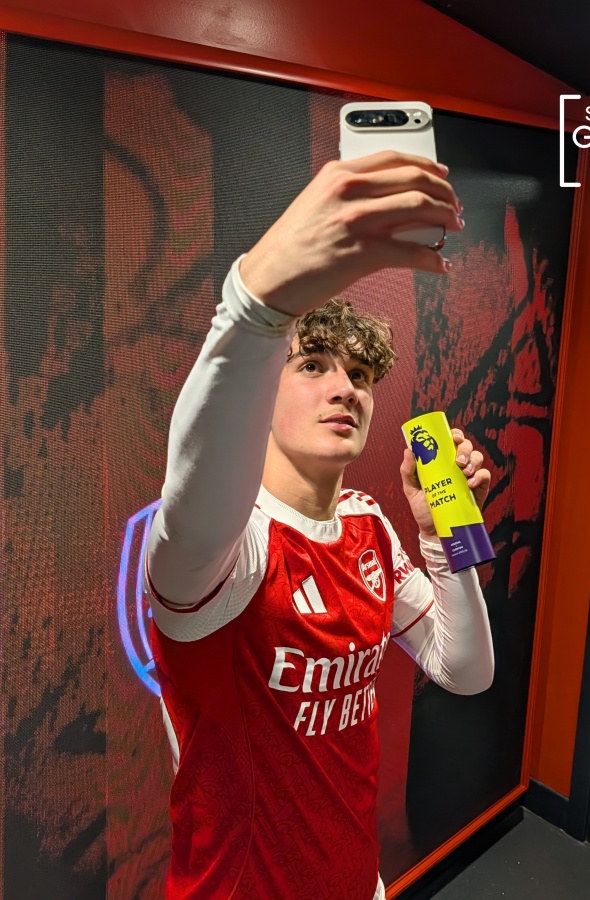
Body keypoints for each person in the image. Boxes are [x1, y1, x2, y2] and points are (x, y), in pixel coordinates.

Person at [145, 150, 495, 900]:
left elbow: (465, 671)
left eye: (359, 375)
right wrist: (255, 306)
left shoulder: (368, 528)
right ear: (262, 393)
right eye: (312, 366)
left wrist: (443, 537)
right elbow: (195, 490)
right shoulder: (229, 551)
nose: (346, 389)